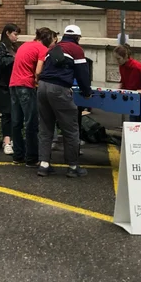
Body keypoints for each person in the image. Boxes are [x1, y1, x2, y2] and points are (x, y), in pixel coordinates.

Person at [36, 25, 92, 178]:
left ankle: (44, 165)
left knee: (46, 127)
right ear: (78, 38)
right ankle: (73, 166)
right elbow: (83, 74)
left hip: (41, 88)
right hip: (59, 89)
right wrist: (87, 93)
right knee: (70, 129)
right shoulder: (76, 49)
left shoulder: (53, 48)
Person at [10, 27, 57, 167]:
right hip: (26, 86)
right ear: (47, 38)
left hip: (13, 84)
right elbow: (38, 71)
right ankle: (31, 158)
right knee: (31, 122)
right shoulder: (42, 49)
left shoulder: (24, 45)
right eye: (53, 40)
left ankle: (18, 155)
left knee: (16, 122)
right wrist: (39, 81)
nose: (53, 44)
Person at [0, 24, 20, 155]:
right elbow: (1, 62)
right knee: (7, 113)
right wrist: (15, 59)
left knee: (15, 113)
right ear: (7, 33)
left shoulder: (15, 48)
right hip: (3, 86)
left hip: (14, 84)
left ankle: (12, 139)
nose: (16, 37)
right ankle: (6, 141)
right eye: (15, 34)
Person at [114, 44, 141, 123]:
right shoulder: (122, 66)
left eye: (118, 59)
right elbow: (123, 80)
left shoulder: (137, 66)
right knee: (134, 126)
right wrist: (119, 89)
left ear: (126, 57)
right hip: (134, 100)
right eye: (116, 59)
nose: (116, 61)